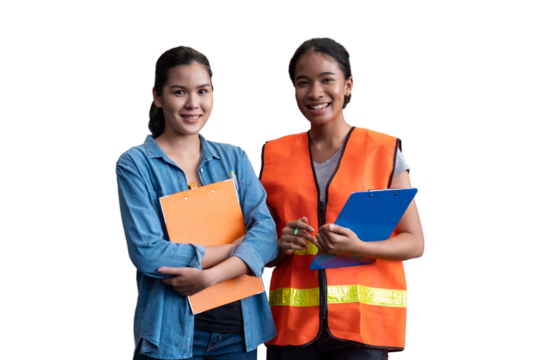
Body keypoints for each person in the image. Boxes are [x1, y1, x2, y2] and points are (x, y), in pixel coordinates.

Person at [260, 34, 425, 360]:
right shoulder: (272, 154)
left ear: (348, 85)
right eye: (303, 82)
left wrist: (358, 247)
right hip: (291, 329)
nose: (315, 92)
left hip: (362, 330)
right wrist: (277, 246)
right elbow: (259, 249)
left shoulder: (382, 150)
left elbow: (415, 243)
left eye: (327, 80)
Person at [115, 43, 278, 360]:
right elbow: (148, 253)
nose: (193, 103)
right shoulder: (135, 163)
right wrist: (234, 249)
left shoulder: (234, 156)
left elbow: (267, 234)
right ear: (158, 97)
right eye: (179, 92)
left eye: (202, 91)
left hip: (239, 333)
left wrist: (210, 276)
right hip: (172, 336)